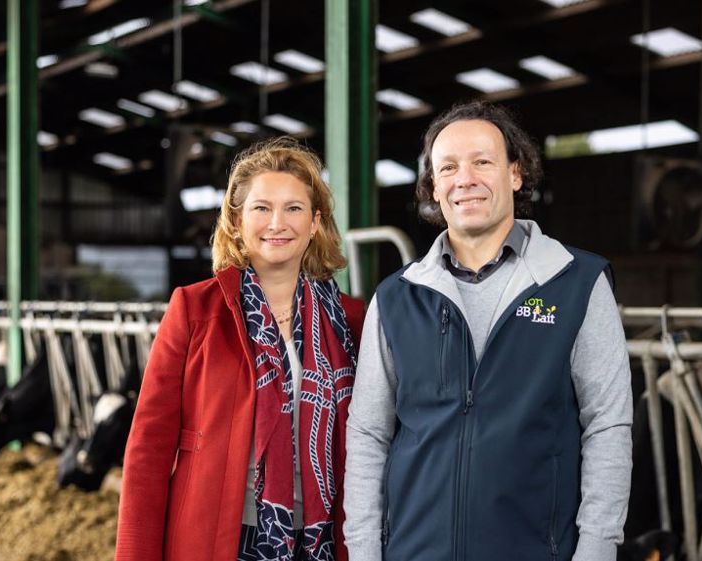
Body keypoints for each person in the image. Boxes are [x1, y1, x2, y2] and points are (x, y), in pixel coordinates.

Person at [343, 101, 632, 561]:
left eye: (482, 161)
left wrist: (596, 550)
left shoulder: (577, 282)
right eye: (449, 167)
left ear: (516, 174)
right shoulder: (396, 298)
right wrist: (363, 551)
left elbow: (608, 425)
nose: (465, 179)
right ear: (434, 187)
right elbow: (368, 434)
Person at [115, 137, 365, 561]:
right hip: (221, 539)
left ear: (316, 222)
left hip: (325, 541)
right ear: (237, 220)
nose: (277, 223)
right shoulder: (194, 311)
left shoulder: (353, 322)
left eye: (294, 208)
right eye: (261, 208)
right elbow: (148, 450)